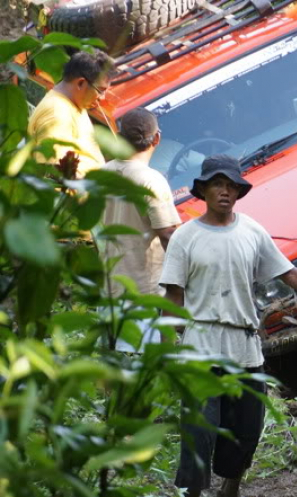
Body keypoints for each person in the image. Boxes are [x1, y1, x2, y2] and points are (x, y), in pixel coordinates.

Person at [159, 154, 297, 497]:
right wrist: (165, 347)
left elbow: (289, 274)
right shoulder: (185, 238)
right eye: (217, 184)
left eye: (231, 185)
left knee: (247, 430)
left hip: (244, 348)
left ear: (239, 192)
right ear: (203, 191)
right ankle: (193, 492)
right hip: (201, 346)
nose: (225, 192)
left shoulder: (251, 231)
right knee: (199, 430)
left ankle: (231, 485)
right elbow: (172, 297)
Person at [101, 107, 182, 351]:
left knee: (121, 369)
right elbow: (169, 234)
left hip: (111, 287)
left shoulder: (101, 173)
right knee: (149, 367)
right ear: (157, 138)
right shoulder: (150, 179)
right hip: (144, 292)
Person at [28, 49, 114, 178]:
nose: (102, 98)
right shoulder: (56, 114)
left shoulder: (76, 103)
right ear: (80, 83)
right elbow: (54, 175)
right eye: (100, 90)